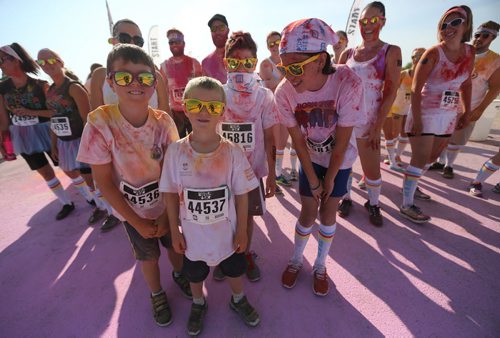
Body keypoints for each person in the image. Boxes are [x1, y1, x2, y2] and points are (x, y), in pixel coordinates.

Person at [77, 44, 192, 327]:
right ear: (111, 82)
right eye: (125, 77)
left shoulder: (164, 123)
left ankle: (179, 275)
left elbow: (172, 171)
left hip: (166, 205)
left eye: (144, 77)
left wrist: (168, 214)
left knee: (175, 247)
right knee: (147, 256)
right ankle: (157, 293)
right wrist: (135, 221)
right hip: (131, 212)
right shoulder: (100, 123)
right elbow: (103, 181)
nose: (136, 84)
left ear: (154, 83)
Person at [161, 76, 261, 336]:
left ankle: (237, 299)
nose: (204, 112)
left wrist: (242, 232)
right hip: (192, 238)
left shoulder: (233, 152)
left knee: (234, 269)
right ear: (184, 106)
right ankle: (198, 302)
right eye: (196, 105)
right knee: (194, 274)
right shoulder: (175, 152)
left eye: (213, 107)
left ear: (223, 111)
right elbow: (170, 194)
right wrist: (174, 230)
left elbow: (241, 195)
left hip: (227, 235)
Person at [275, 18, 365, 296]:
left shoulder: (348, 81)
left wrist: (331, 179)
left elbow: (342, 143)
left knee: (328, 213)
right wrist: (314, 179)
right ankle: (295, 259)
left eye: (295, 67)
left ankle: (320, 264)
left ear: (320, 60)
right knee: (307, 211)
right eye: (283, 67)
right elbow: (298, 142)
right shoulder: (283, 93)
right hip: (310, 158)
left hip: (341, 160)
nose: (288, 76)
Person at [89, 18, 170, 231]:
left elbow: (165, 114)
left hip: (152, 153)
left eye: (138, 40)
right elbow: (95, 119)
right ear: (113, 40)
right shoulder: (100, 76)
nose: (132, 43)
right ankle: (120, 214)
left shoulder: (156, 76)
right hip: (117, 155)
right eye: (125, 37)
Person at [400, 5, 474, 223]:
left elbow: (467, 84)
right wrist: (417, 119)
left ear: (466, 25)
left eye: (455, 22)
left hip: (448, 114)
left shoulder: (469, 53)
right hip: (426, 111)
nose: (448, 27)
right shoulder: (433, 53)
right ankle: (407, 203)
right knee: (420, 157)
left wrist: (467, 111)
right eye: (444, 24)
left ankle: (411, 184)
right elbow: (415, 88)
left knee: (431, 159)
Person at [218, 31, 278, 282]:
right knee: (224, 217)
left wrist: (272, 174)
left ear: (255, 63)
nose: (241, 67)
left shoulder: (264, 96)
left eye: (247, 62)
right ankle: (224, 257)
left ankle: (245, 254)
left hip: (252, 173)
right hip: (221, 172)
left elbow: (270, 137)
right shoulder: (217, 94)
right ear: (225, 63)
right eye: (234, 62)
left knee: (248, 217)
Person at [338, 1, 402, 226]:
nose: (367, 25)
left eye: (373, 20)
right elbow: (336, 87)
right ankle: (345, 198)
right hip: (345, 121)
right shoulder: (347, 53)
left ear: (382, 22)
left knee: (371, 169)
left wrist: (377, 127)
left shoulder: (390, 52)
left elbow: (391, 91)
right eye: (363, 21)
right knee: (343, 165)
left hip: (368, 123)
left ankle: (373, 203)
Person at [0, 43, 74, 220]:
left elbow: (55, 112)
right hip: (21, 135)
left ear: (16, 60)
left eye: (3, 60)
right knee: (45, 172)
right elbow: (3, 118)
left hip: (47, 131)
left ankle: (91, 199)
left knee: (67, 166)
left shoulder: (41, 85)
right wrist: (3, 141)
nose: (1, 65)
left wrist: (32, 113)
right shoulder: (2, 88)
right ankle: (66, 203)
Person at [430, 21, 500, 179]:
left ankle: (449, 165)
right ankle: (440, 161)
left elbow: (495, 88)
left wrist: (480, 109)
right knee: (440, 135)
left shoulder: (495, 61)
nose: (479, 38)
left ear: (493, 38)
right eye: (477, 34)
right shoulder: (460, 50)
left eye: (485, 36)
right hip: (444, 104)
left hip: (468, 107)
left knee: (457, 139)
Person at [37, 48, 97, 215]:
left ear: (60, 61)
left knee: (94, 178)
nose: (46, 65)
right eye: (41, 62)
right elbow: (54, 120)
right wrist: (54, 144)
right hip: (66, 143)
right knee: (87, 180)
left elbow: (87, 119)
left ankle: (109, 210)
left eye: (50, 60)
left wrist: (88, 145)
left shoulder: (73, 87)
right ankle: (101, 207)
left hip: (82, 140)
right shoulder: (50, 91)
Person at [259, 31, 297, 193]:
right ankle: (277, 174)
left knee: (288, 139)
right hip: (273, 108)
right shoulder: (266, 63)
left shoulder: (288, 60)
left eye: (277, 42)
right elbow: (272, 83)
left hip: (288, 106)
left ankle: (289, 170)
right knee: (277, 143)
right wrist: (288, 78)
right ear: (267, 46)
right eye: (271, 44)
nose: (274, 46)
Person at [383, 47, 425, 172]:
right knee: (393, 133)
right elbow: (391, 90)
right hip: (395, 108)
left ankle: (397, 156)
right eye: (414, 56)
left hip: (410, 109)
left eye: (421, 56)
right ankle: (391, 159)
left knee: (404, 134)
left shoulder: (425, 77)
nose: (416, 59)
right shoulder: (403, 74)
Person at [160, 28, 202, 137]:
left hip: (193, 110)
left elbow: (201, 89)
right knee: (178, 142)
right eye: (171, 42)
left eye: (177, 41)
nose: (174, 45)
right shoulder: (164, 66)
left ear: (183, 43)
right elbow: (163, 93)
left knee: (197, 141)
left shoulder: (194, 63)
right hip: (175, 113)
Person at [202, 14, 229, 84]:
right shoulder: (205, 62)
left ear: (228, 30)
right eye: (213, 29)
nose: (217, 32)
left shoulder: (239, 55)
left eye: (221, 27)